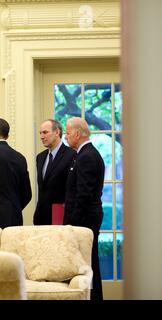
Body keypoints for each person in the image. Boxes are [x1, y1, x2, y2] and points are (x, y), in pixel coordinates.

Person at [64, 117, 105, 301]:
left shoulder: (87, 156)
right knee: (88, 262)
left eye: (68, 132)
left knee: (88, 263)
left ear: (78, 134)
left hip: (85, 219)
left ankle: (92, 297)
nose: (66, 135)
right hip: (87, 217)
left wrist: (72, 222)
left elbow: (83, 195)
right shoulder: (84, 154)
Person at [33, 119, 76, 225]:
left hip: (61, 217)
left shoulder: (71, 155)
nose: (42, 137)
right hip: (40, 218)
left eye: (45, 132)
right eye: (40, 133)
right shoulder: (40, 157)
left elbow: (72, 189)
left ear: (57, 132)